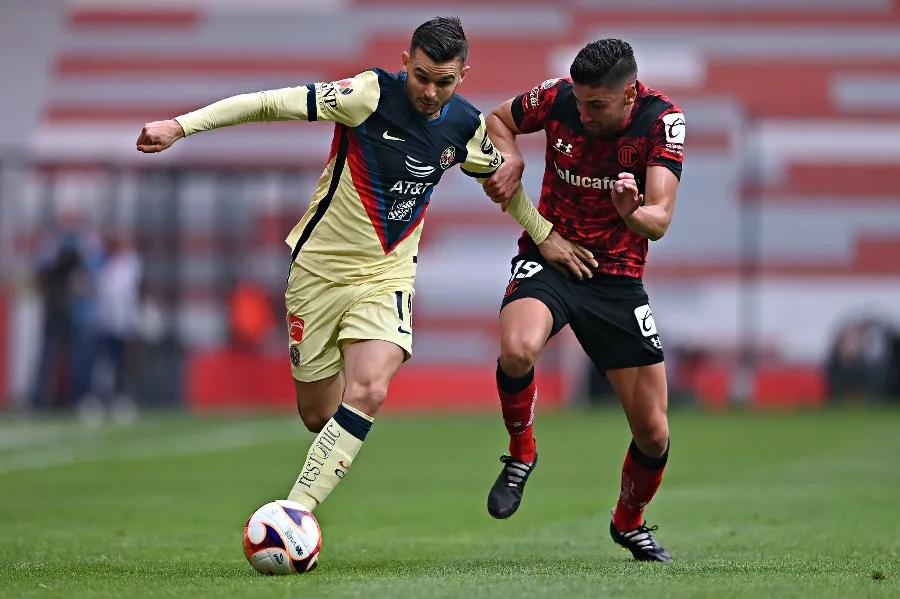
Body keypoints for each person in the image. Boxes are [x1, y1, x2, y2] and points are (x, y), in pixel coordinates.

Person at [136, 17, 593, 515]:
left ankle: (297, 512)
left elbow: (500, 184)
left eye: (444, 81)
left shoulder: (465, 125)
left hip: (386, 276)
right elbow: (269, 102)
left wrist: (542, 232)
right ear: (405, 64)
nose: (430, 91)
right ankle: (318, 472)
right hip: (317, 274)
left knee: (371, 388)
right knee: (317, 415)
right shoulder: (366, 95)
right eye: (421, 76)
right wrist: (180, 126)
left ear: (462, 75)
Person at [481, 38, 685, 562]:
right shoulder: (558, 98)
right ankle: (522, 453)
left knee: (654, 434)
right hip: (550, 255)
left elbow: (658, 222)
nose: (584, 113)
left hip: (615, 276)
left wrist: (629, 211)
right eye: (581, 101)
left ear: (630, 94)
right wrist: (511, 158)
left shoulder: (662, 122)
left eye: (597, 105)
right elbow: (496, 120)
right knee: (518, 348)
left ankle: (628, 522)